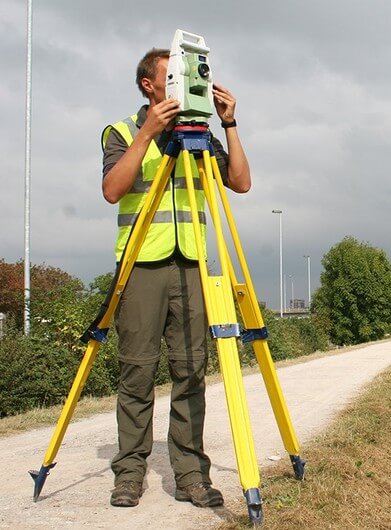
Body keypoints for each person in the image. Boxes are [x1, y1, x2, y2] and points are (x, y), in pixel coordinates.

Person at [101, 47, 251, 508]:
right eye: (171, 77)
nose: (183, 85)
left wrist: (228, 123)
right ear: (148, 85)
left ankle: (190, 474)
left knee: (190, 372)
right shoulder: (123, 130)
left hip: (191, 265)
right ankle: (129, 472)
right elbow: (112, 191)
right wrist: (148, 133)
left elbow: (241, 183)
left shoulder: (199, 132)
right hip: (141, 263)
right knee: (137, 372)